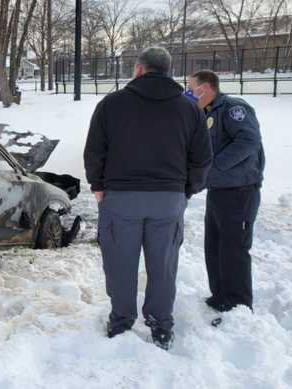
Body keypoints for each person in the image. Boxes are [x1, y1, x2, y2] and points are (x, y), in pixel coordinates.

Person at [84, 47, 213, 349]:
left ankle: (121, 320)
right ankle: (160, 325)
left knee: (120, 262)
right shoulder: (189, 108)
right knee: (164, 265)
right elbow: (203, 158)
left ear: (139, 69)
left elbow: (95, 150)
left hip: (120, 198)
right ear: (168, 70)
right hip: (168, 199)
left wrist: (98, 185)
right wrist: (186, 189)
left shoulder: (112, 104)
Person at [186, 70, 265, 315]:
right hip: (219, 189)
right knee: (215, 245)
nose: (188, 93)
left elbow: (248, 141)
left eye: (191, 88)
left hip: (240, 190)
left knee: (234, 248)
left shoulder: (233, 108)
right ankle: (220, 296)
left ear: (207, 88)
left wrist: (215, 166)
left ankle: (238, 305)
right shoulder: (207, 112)